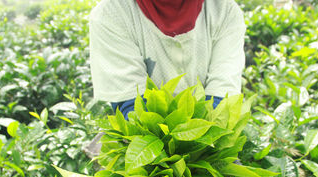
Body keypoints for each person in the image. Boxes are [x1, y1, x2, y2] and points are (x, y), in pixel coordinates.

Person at [89, 0, 246, 119]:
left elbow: (222, 95)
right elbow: (131, 105)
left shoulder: (224, 10)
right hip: (145, 139)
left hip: (209, 138)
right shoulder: (110, 13)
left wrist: (201, 148)